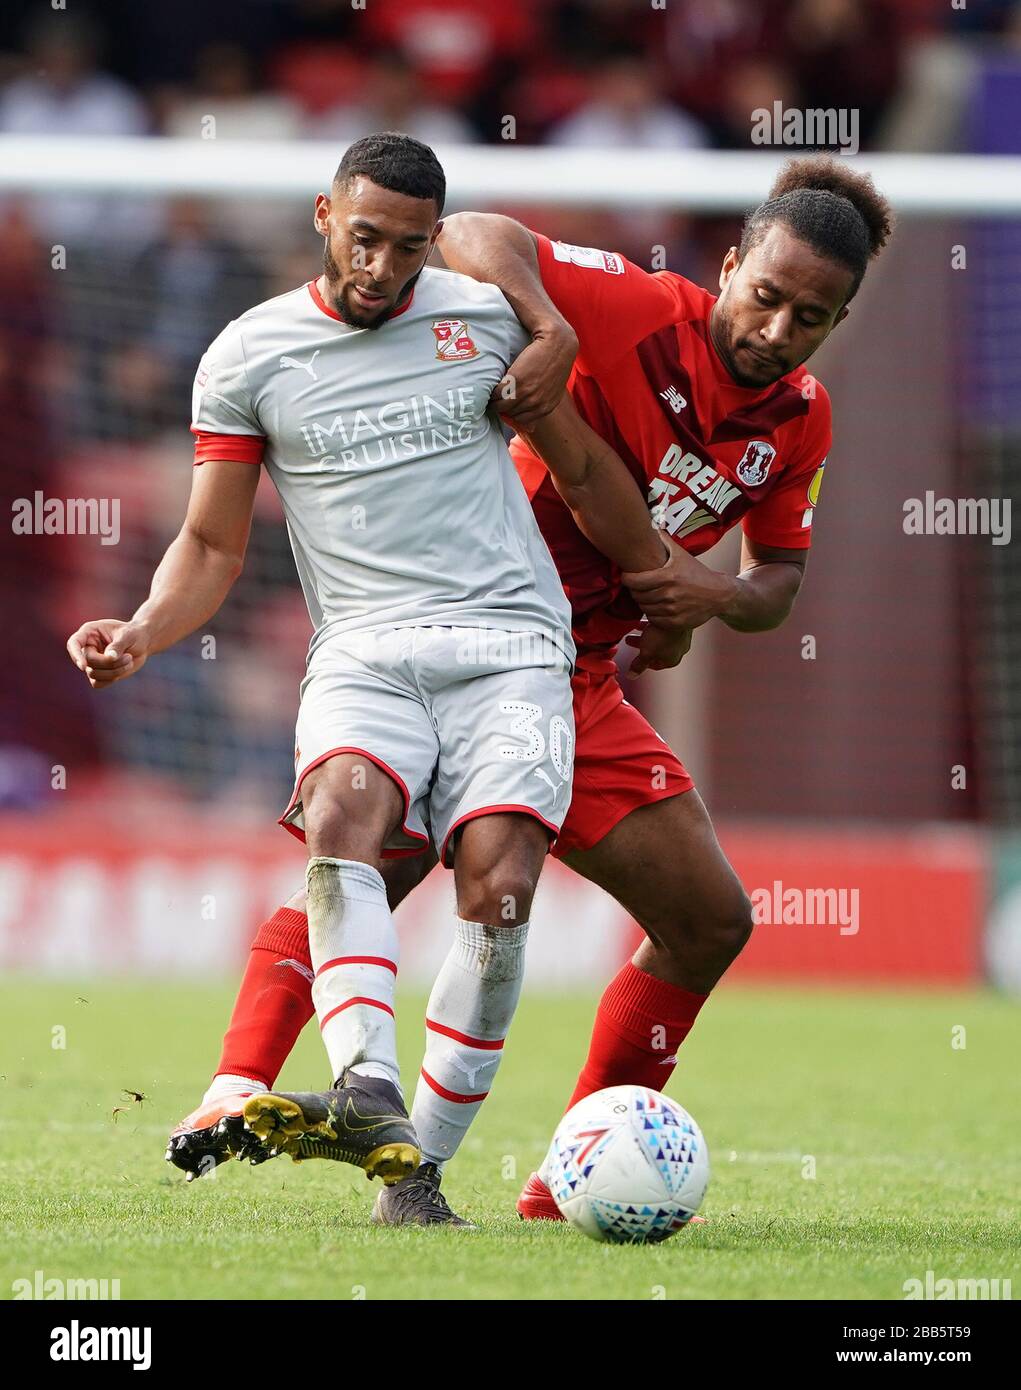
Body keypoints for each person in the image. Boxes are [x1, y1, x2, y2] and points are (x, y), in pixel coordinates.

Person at [156, 154, 893, 1225]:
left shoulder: (802, 420)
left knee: (708, 919)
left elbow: (776, 582)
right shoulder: (635, 305)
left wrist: (708, 595)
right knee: (374, 845)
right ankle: (235, 1087)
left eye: (809, 317)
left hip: (576, 681)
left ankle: (577, 1168)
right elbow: (479, 234)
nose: (776, 329)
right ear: (726, 267)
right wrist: (550, 331)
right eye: (765, 296)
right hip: (471, 629)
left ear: (837, 321)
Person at [65, 133, 675, 1228]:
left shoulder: (483, 319)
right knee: (341, 810)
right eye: (363, 237)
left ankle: (415, 1173)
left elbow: (580, 467)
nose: (382, 266)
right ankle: (365, 1086)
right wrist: (146, 628)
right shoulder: (247, 356)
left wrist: (655, 577)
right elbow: (210, 547)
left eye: (406, 246)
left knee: (501, 882)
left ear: (432, 241)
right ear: (320, 215)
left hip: (510, 643)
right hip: (364, 647)